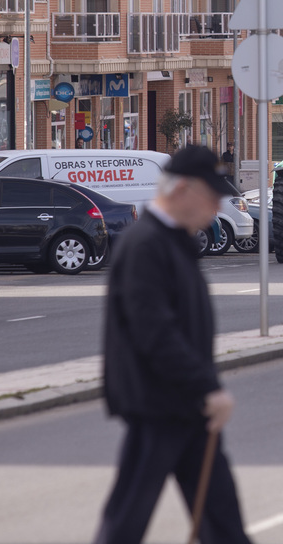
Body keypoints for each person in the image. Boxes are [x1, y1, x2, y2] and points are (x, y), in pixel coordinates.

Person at [94, 145, 254, 544]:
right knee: (129, 516)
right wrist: (207, 386)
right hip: (158, 404)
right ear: (183, 190)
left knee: (221, 514)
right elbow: (155, 331)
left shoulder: (173, 239)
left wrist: (202, 388)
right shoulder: (146, 244)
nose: (216, 207)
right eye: (211, 196)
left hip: (182, 403)